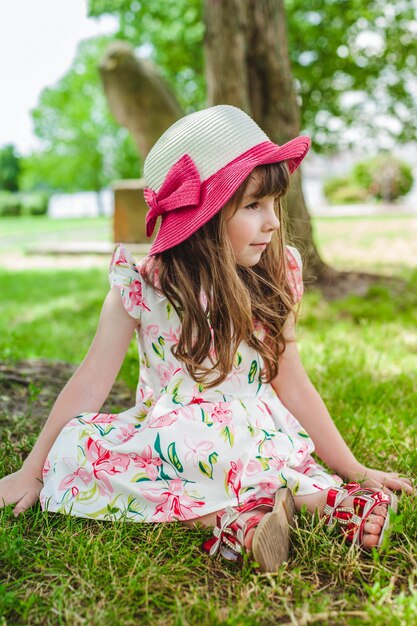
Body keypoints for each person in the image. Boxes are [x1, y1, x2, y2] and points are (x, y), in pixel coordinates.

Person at [0, 105, 413, 572]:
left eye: (274, 203)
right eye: (254, 205)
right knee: (270, 469)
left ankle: (229, 521)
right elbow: (292, 387)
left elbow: (90, 386)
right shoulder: (160, 284)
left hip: (183, 438)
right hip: (258, 440)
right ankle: (330, 504)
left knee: (83, 453)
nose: (274, 222)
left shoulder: (183, 284)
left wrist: (35, 468)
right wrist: (353, 471)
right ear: (204, 217)